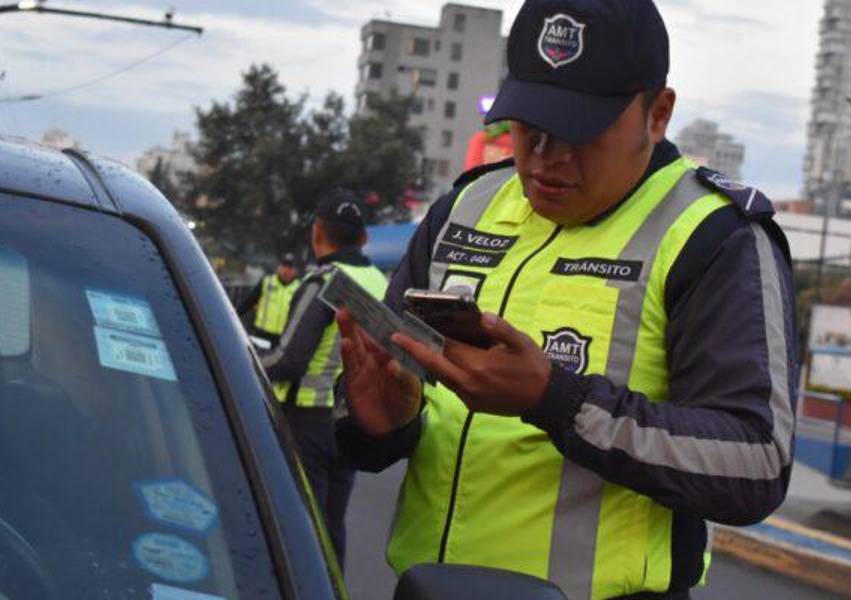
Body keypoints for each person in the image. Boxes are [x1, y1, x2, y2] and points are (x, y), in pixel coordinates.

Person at [333, 1, 798, 598]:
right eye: (531, 124)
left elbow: (756, 462)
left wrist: (556, 400)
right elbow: (390, 413)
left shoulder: (713, 237)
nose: (547, 155)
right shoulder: (465, 209)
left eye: (582, 129)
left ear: (657, 114)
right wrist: (381, 423)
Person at [262, 189, 388, 566]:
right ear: (363, 238)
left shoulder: (324, 281)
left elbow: (289, 360)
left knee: (303, 526)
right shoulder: (381, 282)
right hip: (354, 421)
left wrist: (236, 363)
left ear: (317, 231)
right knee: (332, 527)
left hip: (309, 420)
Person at [236, 254, 301, 348]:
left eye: (290, 267)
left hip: (282, 338)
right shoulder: (267, 281)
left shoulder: (299, 288)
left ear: (295, 271)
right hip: (261, 334)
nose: (286, 270)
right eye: (284, 266)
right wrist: (234, 316)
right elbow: (249, 302)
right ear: (279, 267)